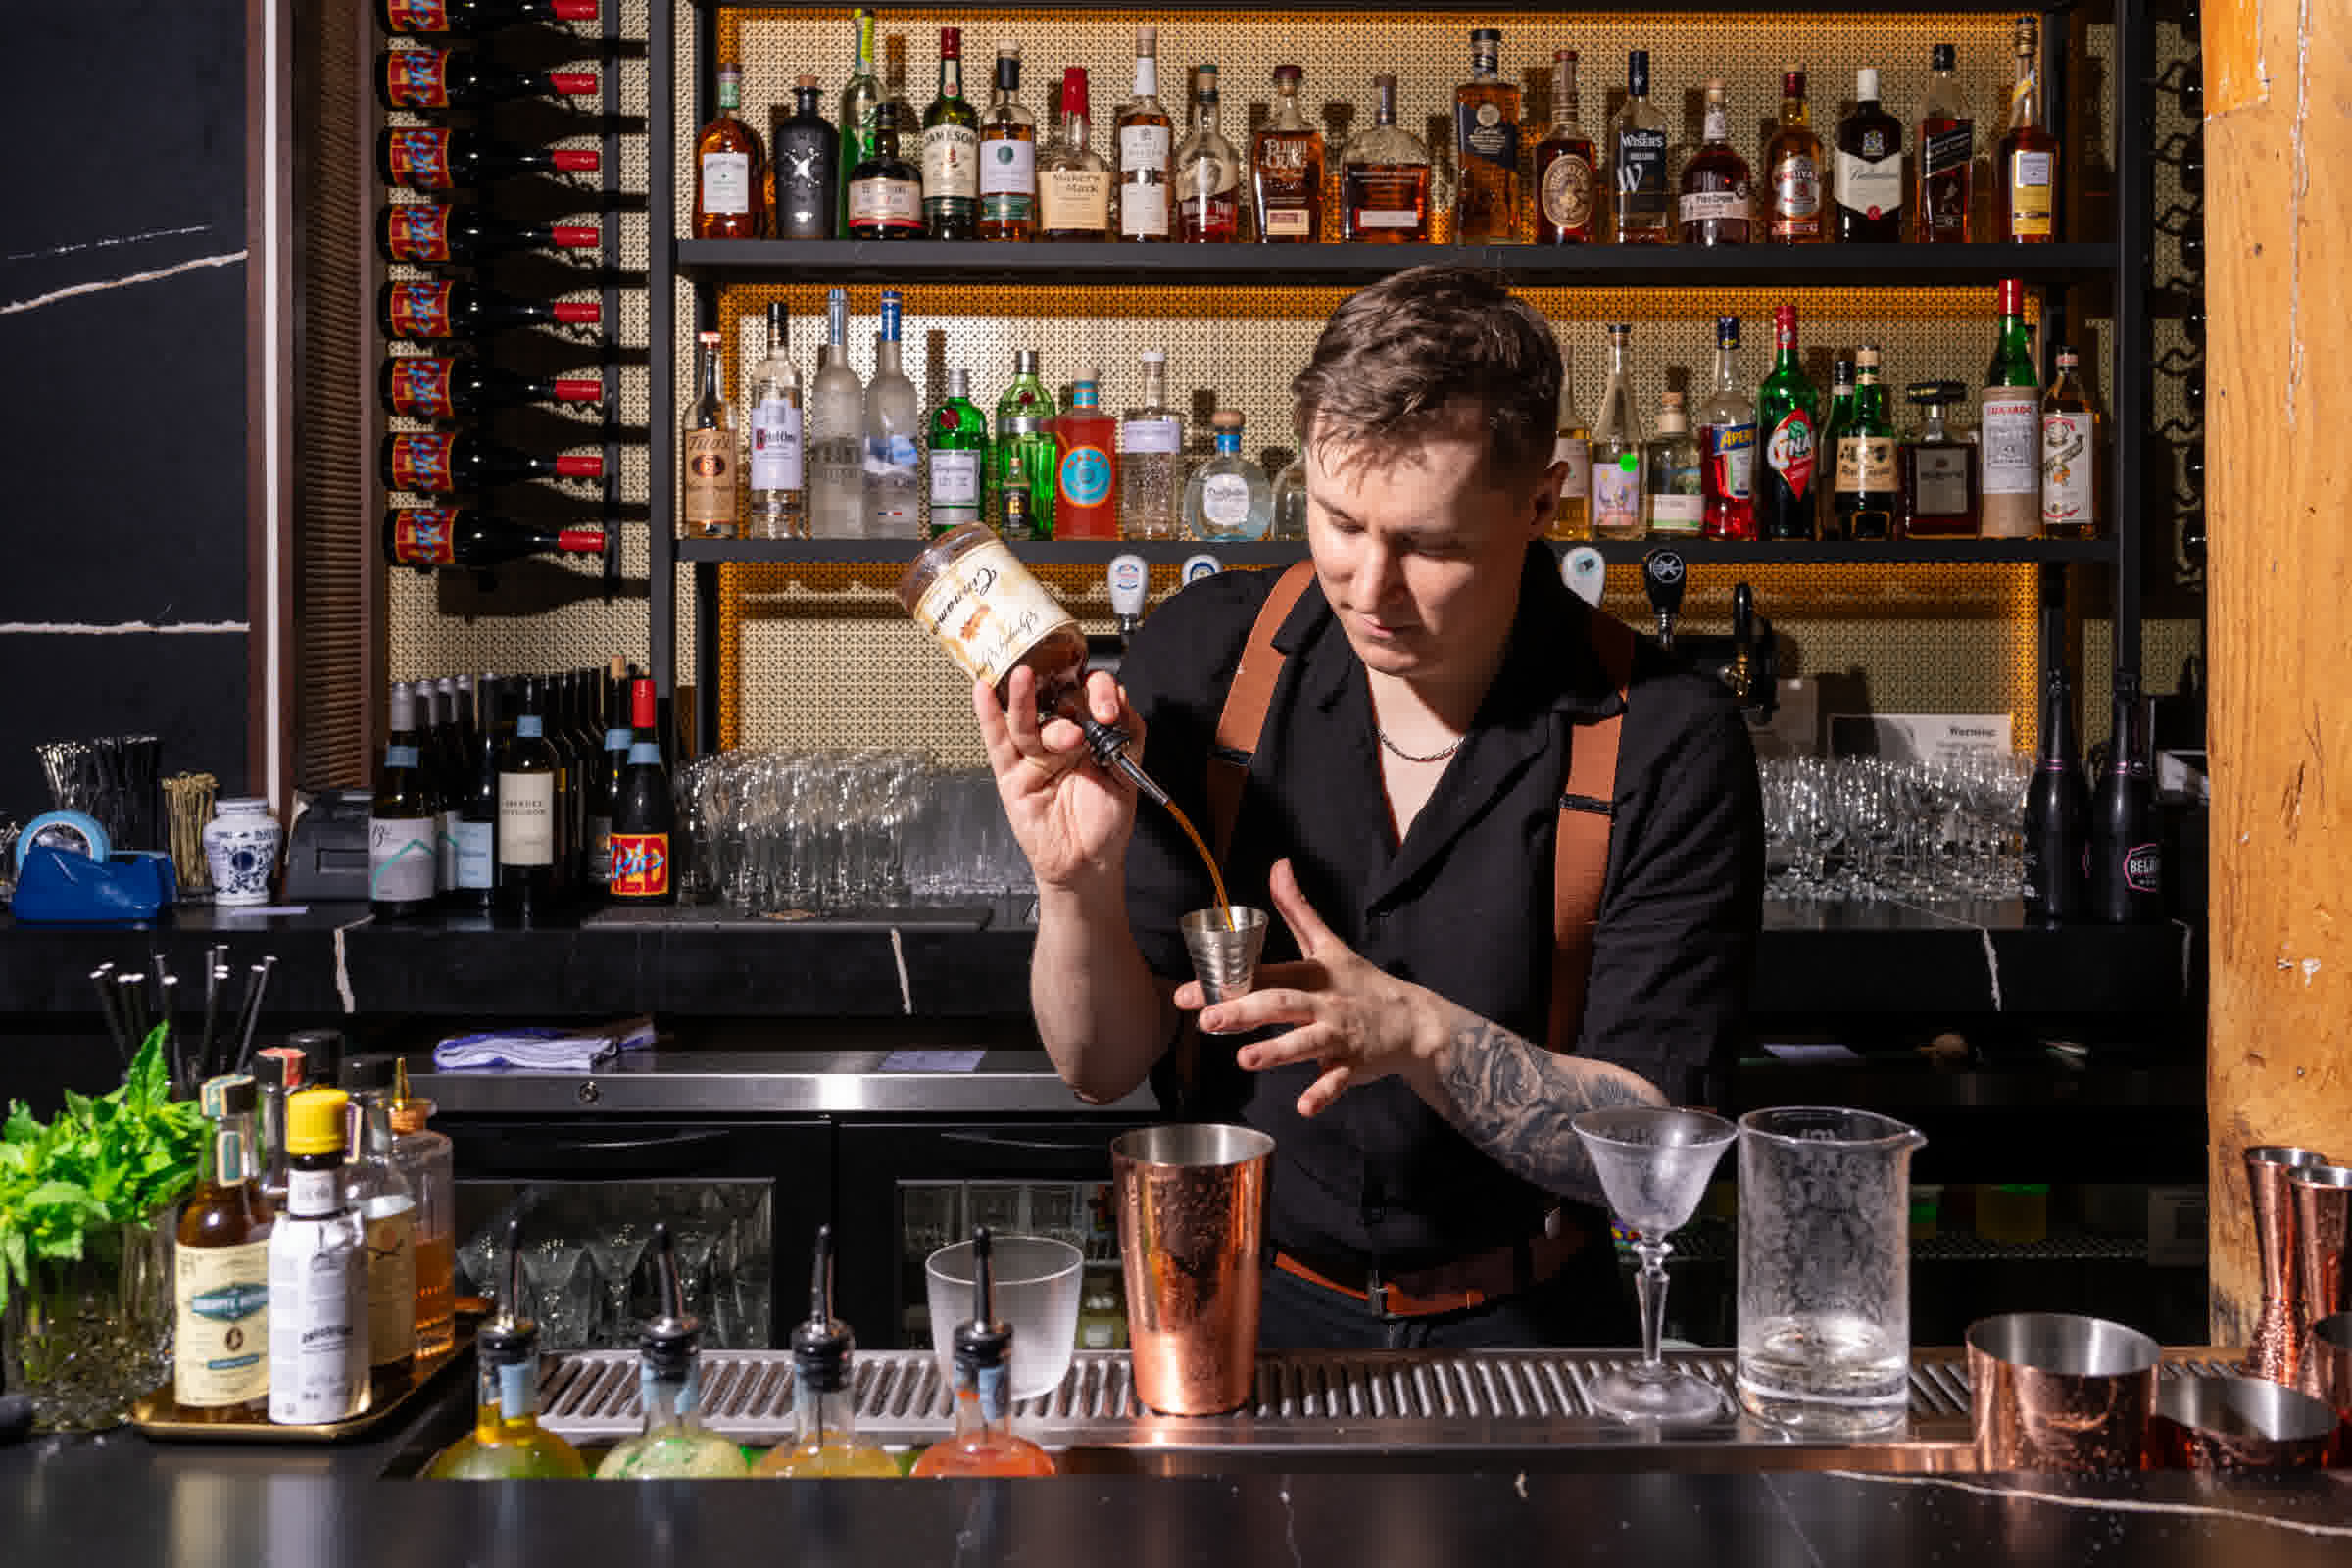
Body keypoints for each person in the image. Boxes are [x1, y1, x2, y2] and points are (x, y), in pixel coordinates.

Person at [973, 266, 1763, 1349]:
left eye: (1430, 545)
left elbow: (1662, 1151)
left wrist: (1415, 1034)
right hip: (1241, 1307)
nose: (1369, 585)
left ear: (1543, 501)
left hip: (1536, 1333)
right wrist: (1074, 887)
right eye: (1340, 521)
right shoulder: (1203, 663)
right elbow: (1100, 1064)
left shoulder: (1666, 736)